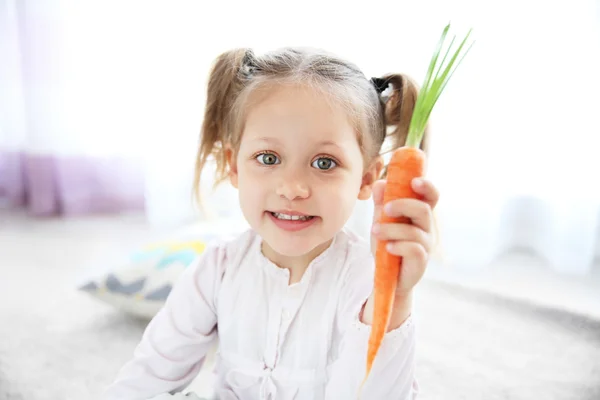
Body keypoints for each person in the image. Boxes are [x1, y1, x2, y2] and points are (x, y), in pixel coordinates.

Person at [103, 47, 440, 400]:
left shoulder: (364, 281)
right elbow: (146, 378)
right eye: (268, 158)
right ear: (233, 166)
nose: (292, 189)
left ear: (366, 179)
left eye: (324, 163)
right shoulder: (218, 267)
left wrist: (396, 296)